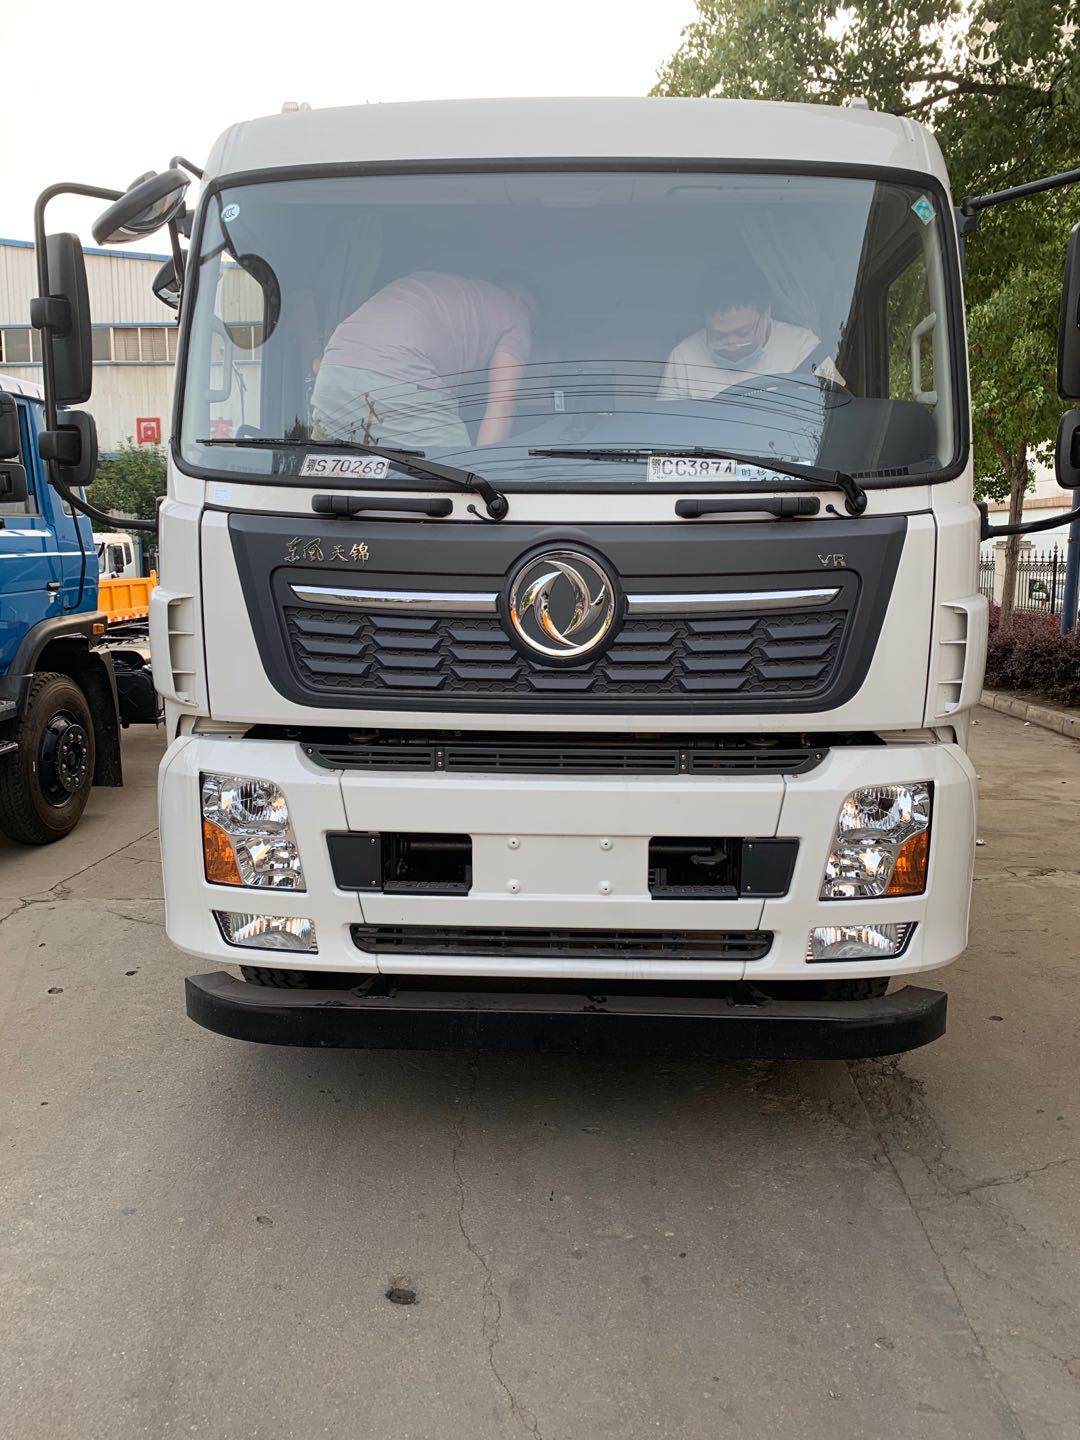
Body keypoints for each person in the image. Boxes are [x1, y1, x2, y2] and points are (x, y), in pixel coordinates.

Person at [311, 270, 538, 451]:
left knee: (334, 470)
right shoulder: (516, 313)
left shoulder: (445, 288)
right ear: (519, 299)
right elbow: (502, 403)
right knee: (457, 474)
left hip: (333, 370)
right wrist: (487, 476)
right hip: (401, 373)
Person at [659, 257, 843, 401]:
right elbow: (667, 427)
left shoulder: (805, 349)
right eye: (718, 335)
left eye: (743, 333)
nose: (732, 345)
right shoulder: (684, 358)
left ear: (766, 314)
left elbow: (837, 410)